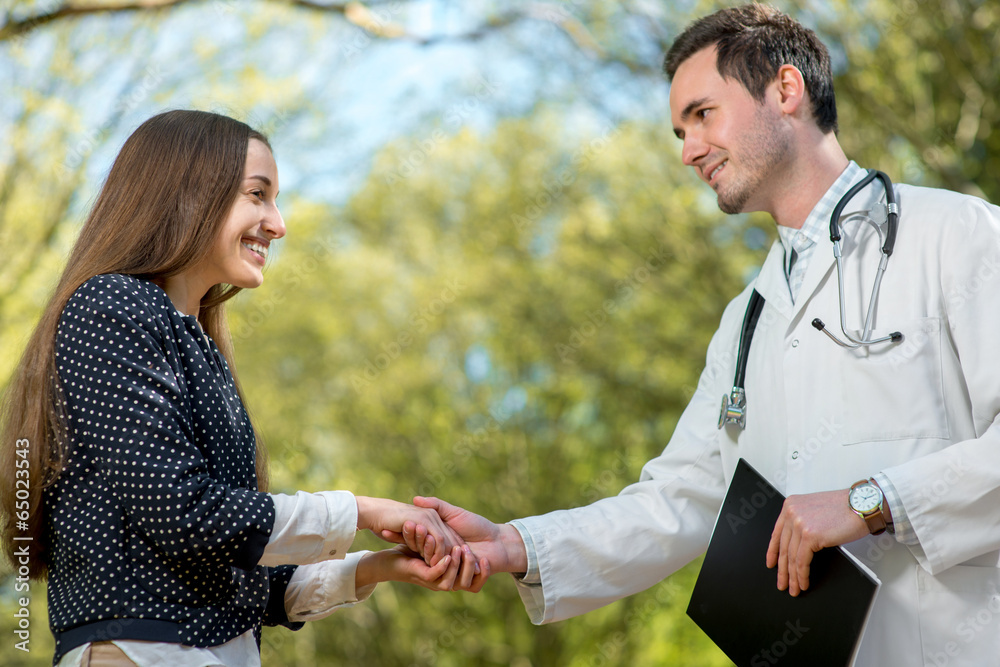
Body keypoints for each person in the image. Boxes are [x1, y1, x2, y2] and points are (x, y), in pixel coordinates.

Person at [394, 5, 1000, 665]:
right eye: (680, 132)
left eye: (703, 115)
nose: (687, 152)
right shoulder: (747, 319)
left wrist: (872, 500)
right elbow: (676, 499)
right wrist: (517, 544)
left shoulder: (957, 235)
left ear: (786, 91)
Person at [0, 109, 482, 666]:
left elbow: (239, 572)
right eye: (258, 195)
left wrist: (375, 566)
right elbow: (182, 512)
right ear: (185, 193)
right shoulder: (112, 307)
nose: (278, 224)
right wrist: (366, 510)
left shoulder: (199, 346)